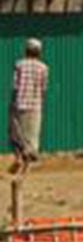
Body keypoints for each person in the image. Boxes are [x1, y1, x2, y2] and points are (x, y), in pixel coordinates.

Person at [11, 39, 46, 175]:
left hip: (20, 104)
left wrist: (12, 104)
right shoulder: (43, 68)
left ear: (26, 50)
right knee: (33, 136)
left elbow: (15, 86)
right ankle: (27, 166)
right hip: (36, 105)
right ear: (39, 52)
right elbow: (43, 89)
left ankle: (19, 157)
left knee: (16, 134)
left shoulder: (19, 65)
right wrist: (40, 103)